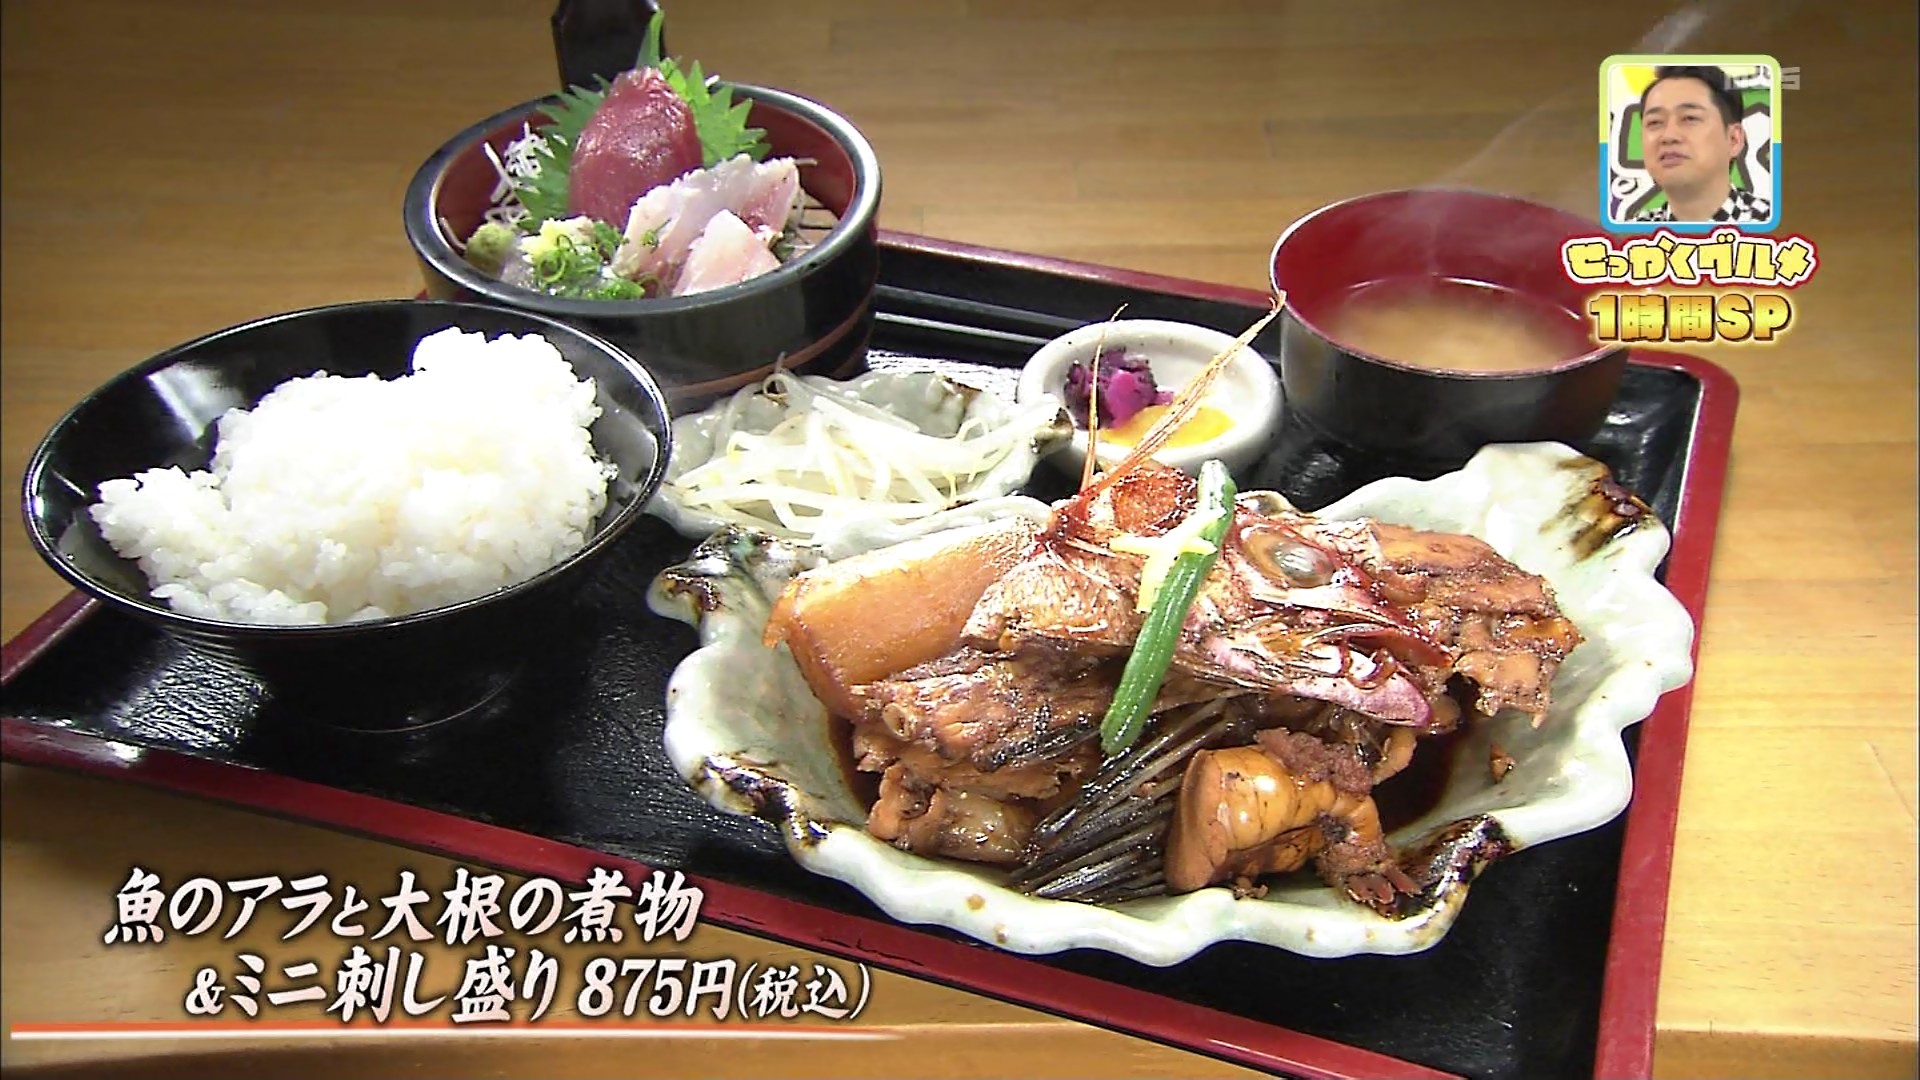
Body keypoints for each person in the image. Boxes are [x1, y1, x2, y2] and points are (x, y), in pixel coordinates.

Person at [1630, 65, 1772, 223]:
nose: (1669, 136)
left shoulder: (1774, 225)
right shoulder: (1632, 232)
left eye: (1690, 118)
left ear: (1734, 139)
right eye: (1655, 122)